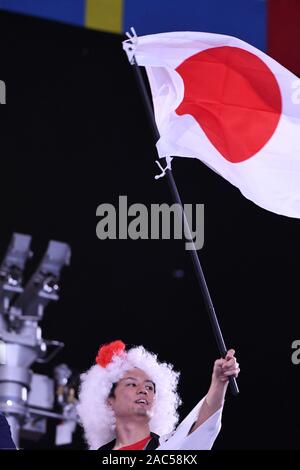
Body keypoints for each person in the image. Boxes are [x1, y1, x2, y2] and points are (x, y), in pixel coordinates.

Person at [77, 340, 240, 450]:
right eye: (132, 384)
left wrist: (219, 382)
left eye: (150, 387)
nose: (144, 390)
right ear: (109, 400)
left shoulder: (169, 447)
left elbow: (202, 429)